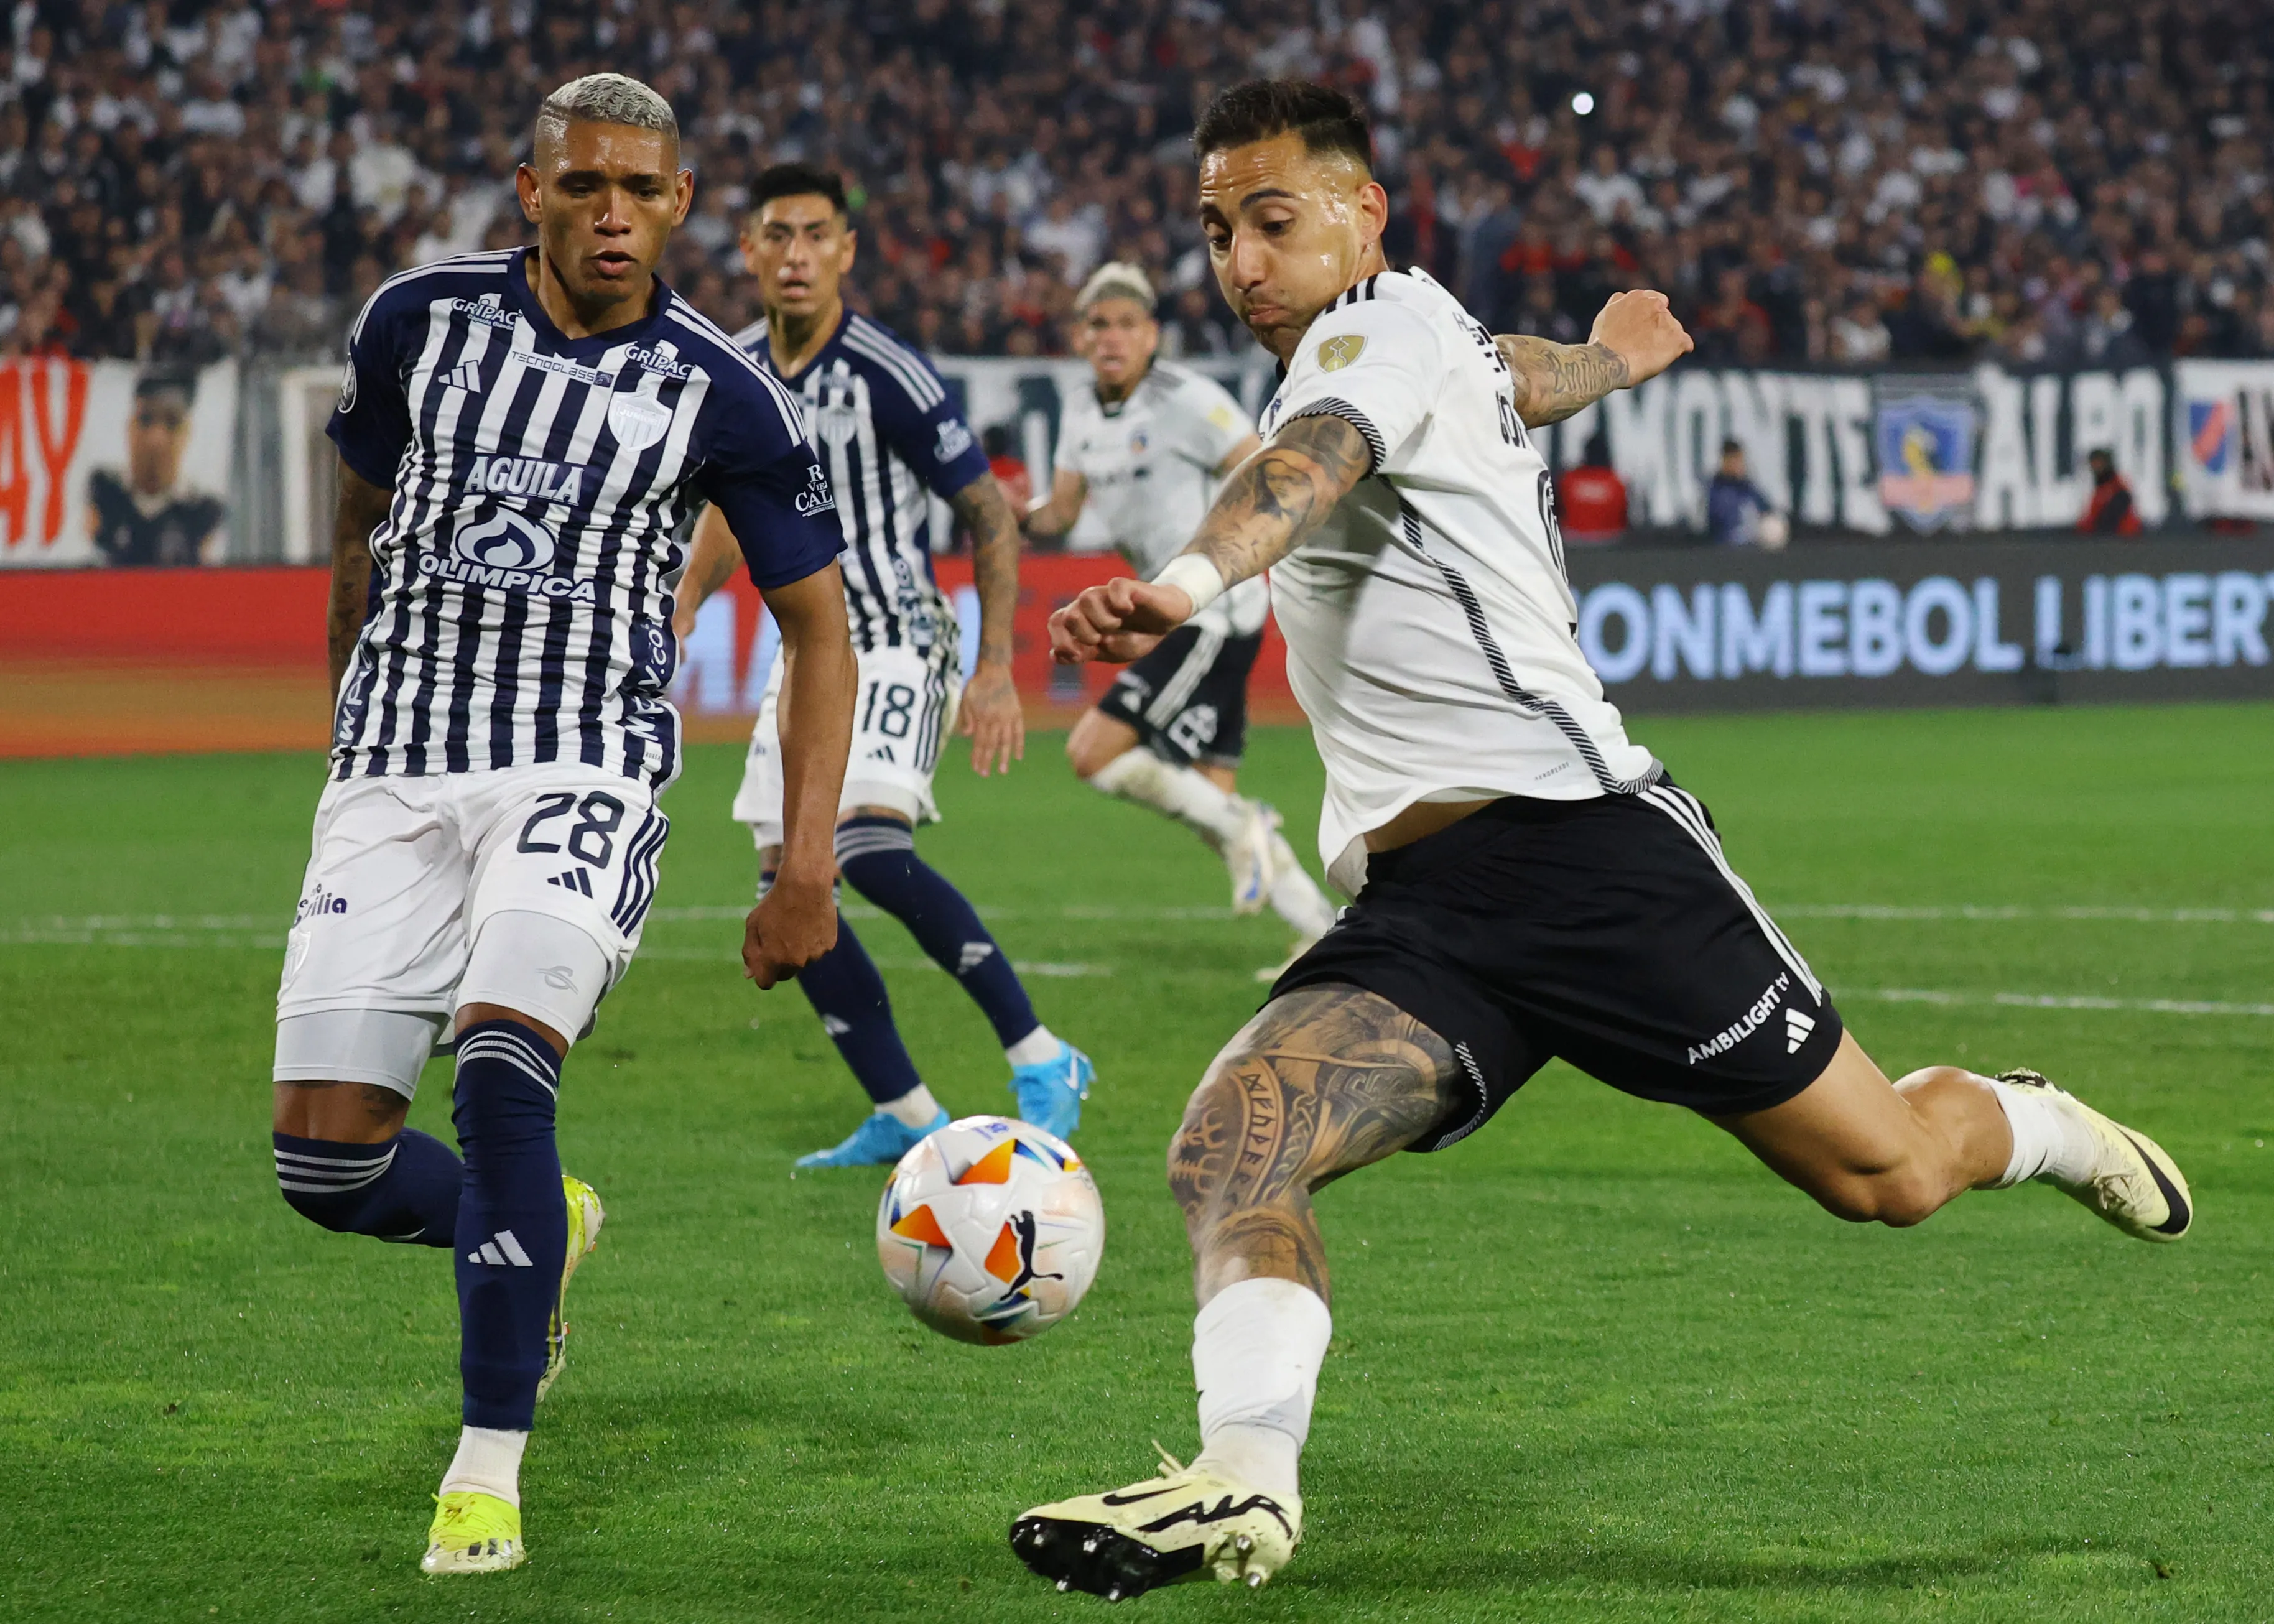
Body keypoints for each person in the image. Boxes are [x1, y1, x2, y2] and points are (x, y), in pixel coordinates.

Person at [1013, 78, 2193, 1600]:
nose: (1240, 261)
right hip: (1427, 913)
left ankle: (2039, 1125)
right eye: (1216, 230)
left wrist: (1179, 590)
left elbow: (1307, 463)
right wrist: (1611, 359)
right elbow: (1507, 372)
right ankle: (1244, 1476)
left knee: (1888, 1177)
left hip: (1589, 859)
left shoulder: (1368, 341)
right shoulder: (1426, 335)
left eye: (1272, 220)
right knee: (1233, 1143)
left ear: (1364, 215)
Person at [272, 75, 858, 1576]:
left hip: (581, 762)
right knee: (327, 1169)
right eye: (584, 185)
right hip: (395, 767)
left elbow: (819, 630)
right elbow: (358, 531)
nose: (614, 214)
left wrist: (806, 867)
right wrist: (347, 743)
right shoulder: (415, 322)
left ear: (680, 204)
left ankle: (487, 1469)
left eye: (643, 191)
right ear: (530, 191)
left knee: (500, 1071)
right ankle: (549, 1223)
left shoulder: (725, 393)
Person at [672, 162, 1095, 1167]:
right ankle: (906, 1112)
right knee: (789, 883)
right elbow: (727, 508)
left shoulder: (887, 372)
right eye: (778, 235)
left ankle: (1043, 1054)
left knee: (862, 848)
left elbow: (987, 512)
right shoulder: (732, 370)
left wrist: (993, 668)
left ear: (847, 250)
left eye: (817, 234)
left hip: (898, 634)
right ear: (749, 249)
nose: (797, 255)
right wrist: (683, 604)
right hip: (804, 656)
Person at [1023, 261, 1339, 977]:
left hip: (1210, 608)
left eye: (1126, 324)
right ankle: (1319, 929)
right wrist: (1017, 512)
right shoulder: (1079, 410)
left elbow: (1262, 468)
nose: (1111, 337)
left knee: (1091, 752)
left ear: (1150, 336)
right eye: (1098, 325)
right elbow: (1062, 512)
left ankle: (1244, 825)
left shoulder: (1187, 400)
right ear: (1080, 337)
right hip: (1169, 611)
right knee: (1209, 795)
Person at [86, 371, 227, 565]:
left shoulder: (203, 512)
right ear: (130, 427)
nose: (156, 439)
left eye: (171, 423)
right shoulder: (104, 493)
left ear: (187, 434)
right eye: (146, 420)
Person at [1704, 438, 1782, 547]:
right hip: (1728, 550)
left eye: (1740, 460)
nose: (1738, 465)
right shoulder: (1718, 491)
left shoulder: (1748, 488)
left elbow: (1768, 509)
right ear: (1725, 461)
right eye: (1734, 460)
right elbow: (1720, 525)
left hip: (1754, 548)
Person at [2077, 447, 2142, 535]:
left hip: (2122, 537)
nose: (2095, 466)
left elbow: (2112, 517)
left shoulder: (2117, 485)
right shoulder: (2100, 488)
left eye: (2098, 462)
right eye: (2093, 463)